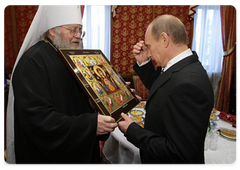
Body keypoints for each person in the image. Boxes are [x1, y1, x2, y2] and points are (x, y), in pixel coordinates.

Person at [6, 3, 117, 164]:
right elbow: (38, 119)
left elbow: (82, 98)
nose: (78, 35)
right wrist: (90, 124)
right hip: (49, 158)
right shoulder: (32, 62)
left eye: (80, 30)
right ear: (52, 30)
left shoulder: (72, 56)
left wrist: (110, 93)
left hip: (79, 148)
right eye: (73, 30)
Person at [118, 15, 214, 164]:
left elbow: (179, 152)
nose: (148, 53)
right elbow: (163, 89)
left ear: (164, 39)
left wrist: (132, 130)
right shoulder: (182, 67)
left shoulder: (188, 84)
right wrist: (144, 62)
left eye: (149, 47)